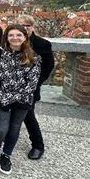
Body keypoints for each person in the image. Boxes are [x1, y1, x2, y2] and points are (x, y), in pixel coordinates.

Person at [0, 24, 42, 175]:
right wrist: (2, 96)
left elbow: (32, 84)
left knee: (14, 128)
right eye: (11, 35)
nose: (15, 38)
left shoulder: (34, 58)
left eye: (19, 35)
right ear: (6, 37)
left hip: (22, 99)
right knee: (0, 128)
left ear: (25, 37)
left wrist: (12, 97)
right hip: (1, 97)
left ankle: (6, 155)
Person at [17, 15, 55, 160]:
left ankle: (38, 145)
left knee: (28, 116)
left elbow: (48, 66)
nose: (25, 28)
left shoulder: (42, 44)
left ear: (32, 27)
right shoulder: (13, 40)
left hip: (30, 88)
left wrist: (35, 83)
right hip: (13, 87)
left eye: (27, 25)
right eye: (22, 25)